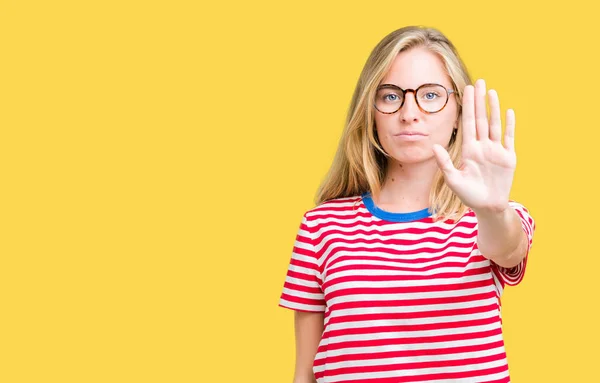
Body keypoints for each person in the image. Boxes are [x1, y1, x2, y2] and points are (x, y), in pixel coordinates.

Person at [278, 26, 536, 383]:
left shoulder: (491, 217)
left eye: (431, 96)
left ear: (459, 113)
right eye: (390, 96)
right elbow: (304, 373)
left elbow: (508, 249)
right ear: (370, 111)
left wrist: (492, 210)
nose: (410, 113)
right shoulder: (321, 227)